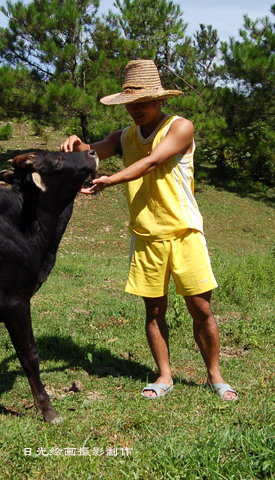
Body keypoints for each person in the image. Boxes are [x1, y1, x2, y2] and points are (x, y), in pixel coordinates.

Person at [61, 59, 237, 401]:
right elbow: (94, 152)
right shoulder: (124, 136)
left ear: (159, 100)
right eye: (131, 105)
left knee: (200, 308)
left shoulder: (180, 127)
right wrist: (78, 144)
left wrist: (112, 180)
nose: (136, 111)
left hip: (184, 232)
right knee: (154, 311)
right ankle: (164, 375)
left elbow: (153, 160)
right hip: (145, 235)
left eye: (142, 103)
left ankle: (216, 376)